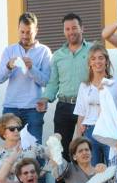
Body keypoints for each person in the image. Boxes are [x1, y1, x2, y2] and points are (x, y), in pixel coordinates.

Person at [38, 13, 92, 159]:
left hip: (87, 107)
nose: (71, 32)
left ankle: (88, 182)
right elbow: (53, 83)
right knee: (61, 152)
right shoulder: (57, 55)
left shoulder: (93, 51)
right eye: (67, 29)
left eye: (74, 28)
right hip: (64, 107)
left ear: (82, 29)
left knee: (86, 149)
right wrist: (45, 98)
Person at [0, 12, 51, 142]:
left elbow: (46, 82)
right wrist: (8, 66)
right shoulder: (9, 50)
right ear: (18, 30)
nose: (25, 36)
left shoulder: (44, 51)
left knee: (34, 148)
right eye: (22, 32)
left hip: (34, 108)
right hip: (11, 106)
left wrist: (32, 68)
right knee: (11, 146)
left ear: (36, 31)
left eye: (29, 32)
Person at [73, 43, 117, 165]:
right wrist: (79, 139)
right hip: (89, 132)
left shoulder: (116, 83)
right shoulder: (84, 86)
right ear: (89, 63)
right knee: (94, 172)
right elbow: (81, 113)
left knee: (114, 168)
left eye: (101, 58)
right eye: (93, 58)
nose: (97, 61)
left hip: (111, 131)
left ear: (107, 61)